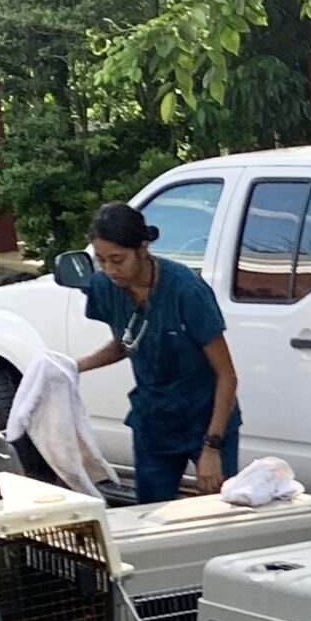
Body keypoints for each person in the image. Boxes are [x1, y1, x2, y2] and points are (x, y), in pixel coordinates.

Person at [75, 202, 241, 503]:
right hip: (155, 420)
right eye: (101, 261)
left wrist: (212, 447)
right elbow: (126, 342)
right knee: (151, 515)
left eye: (118, 259)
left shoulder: (186, 290)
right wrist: (73, 366)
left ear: (142, 248)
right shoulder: (105, 286)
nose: (111, 270)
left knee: (221, 511)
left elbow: (227, 376)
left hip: (205, 419)